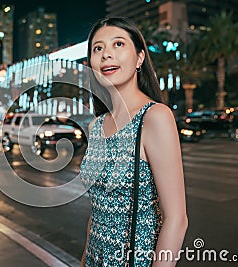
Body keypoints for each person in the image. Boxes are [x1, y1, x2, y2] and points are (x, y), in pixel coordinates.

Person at [80, 17, 187, 266]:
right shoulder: (95, 126)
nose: (106, 54)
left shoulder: (154, 117)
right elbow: (97, 209)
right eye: (98, 48)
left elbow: (177, 220)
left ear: (139, 58)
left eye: (118, 44)